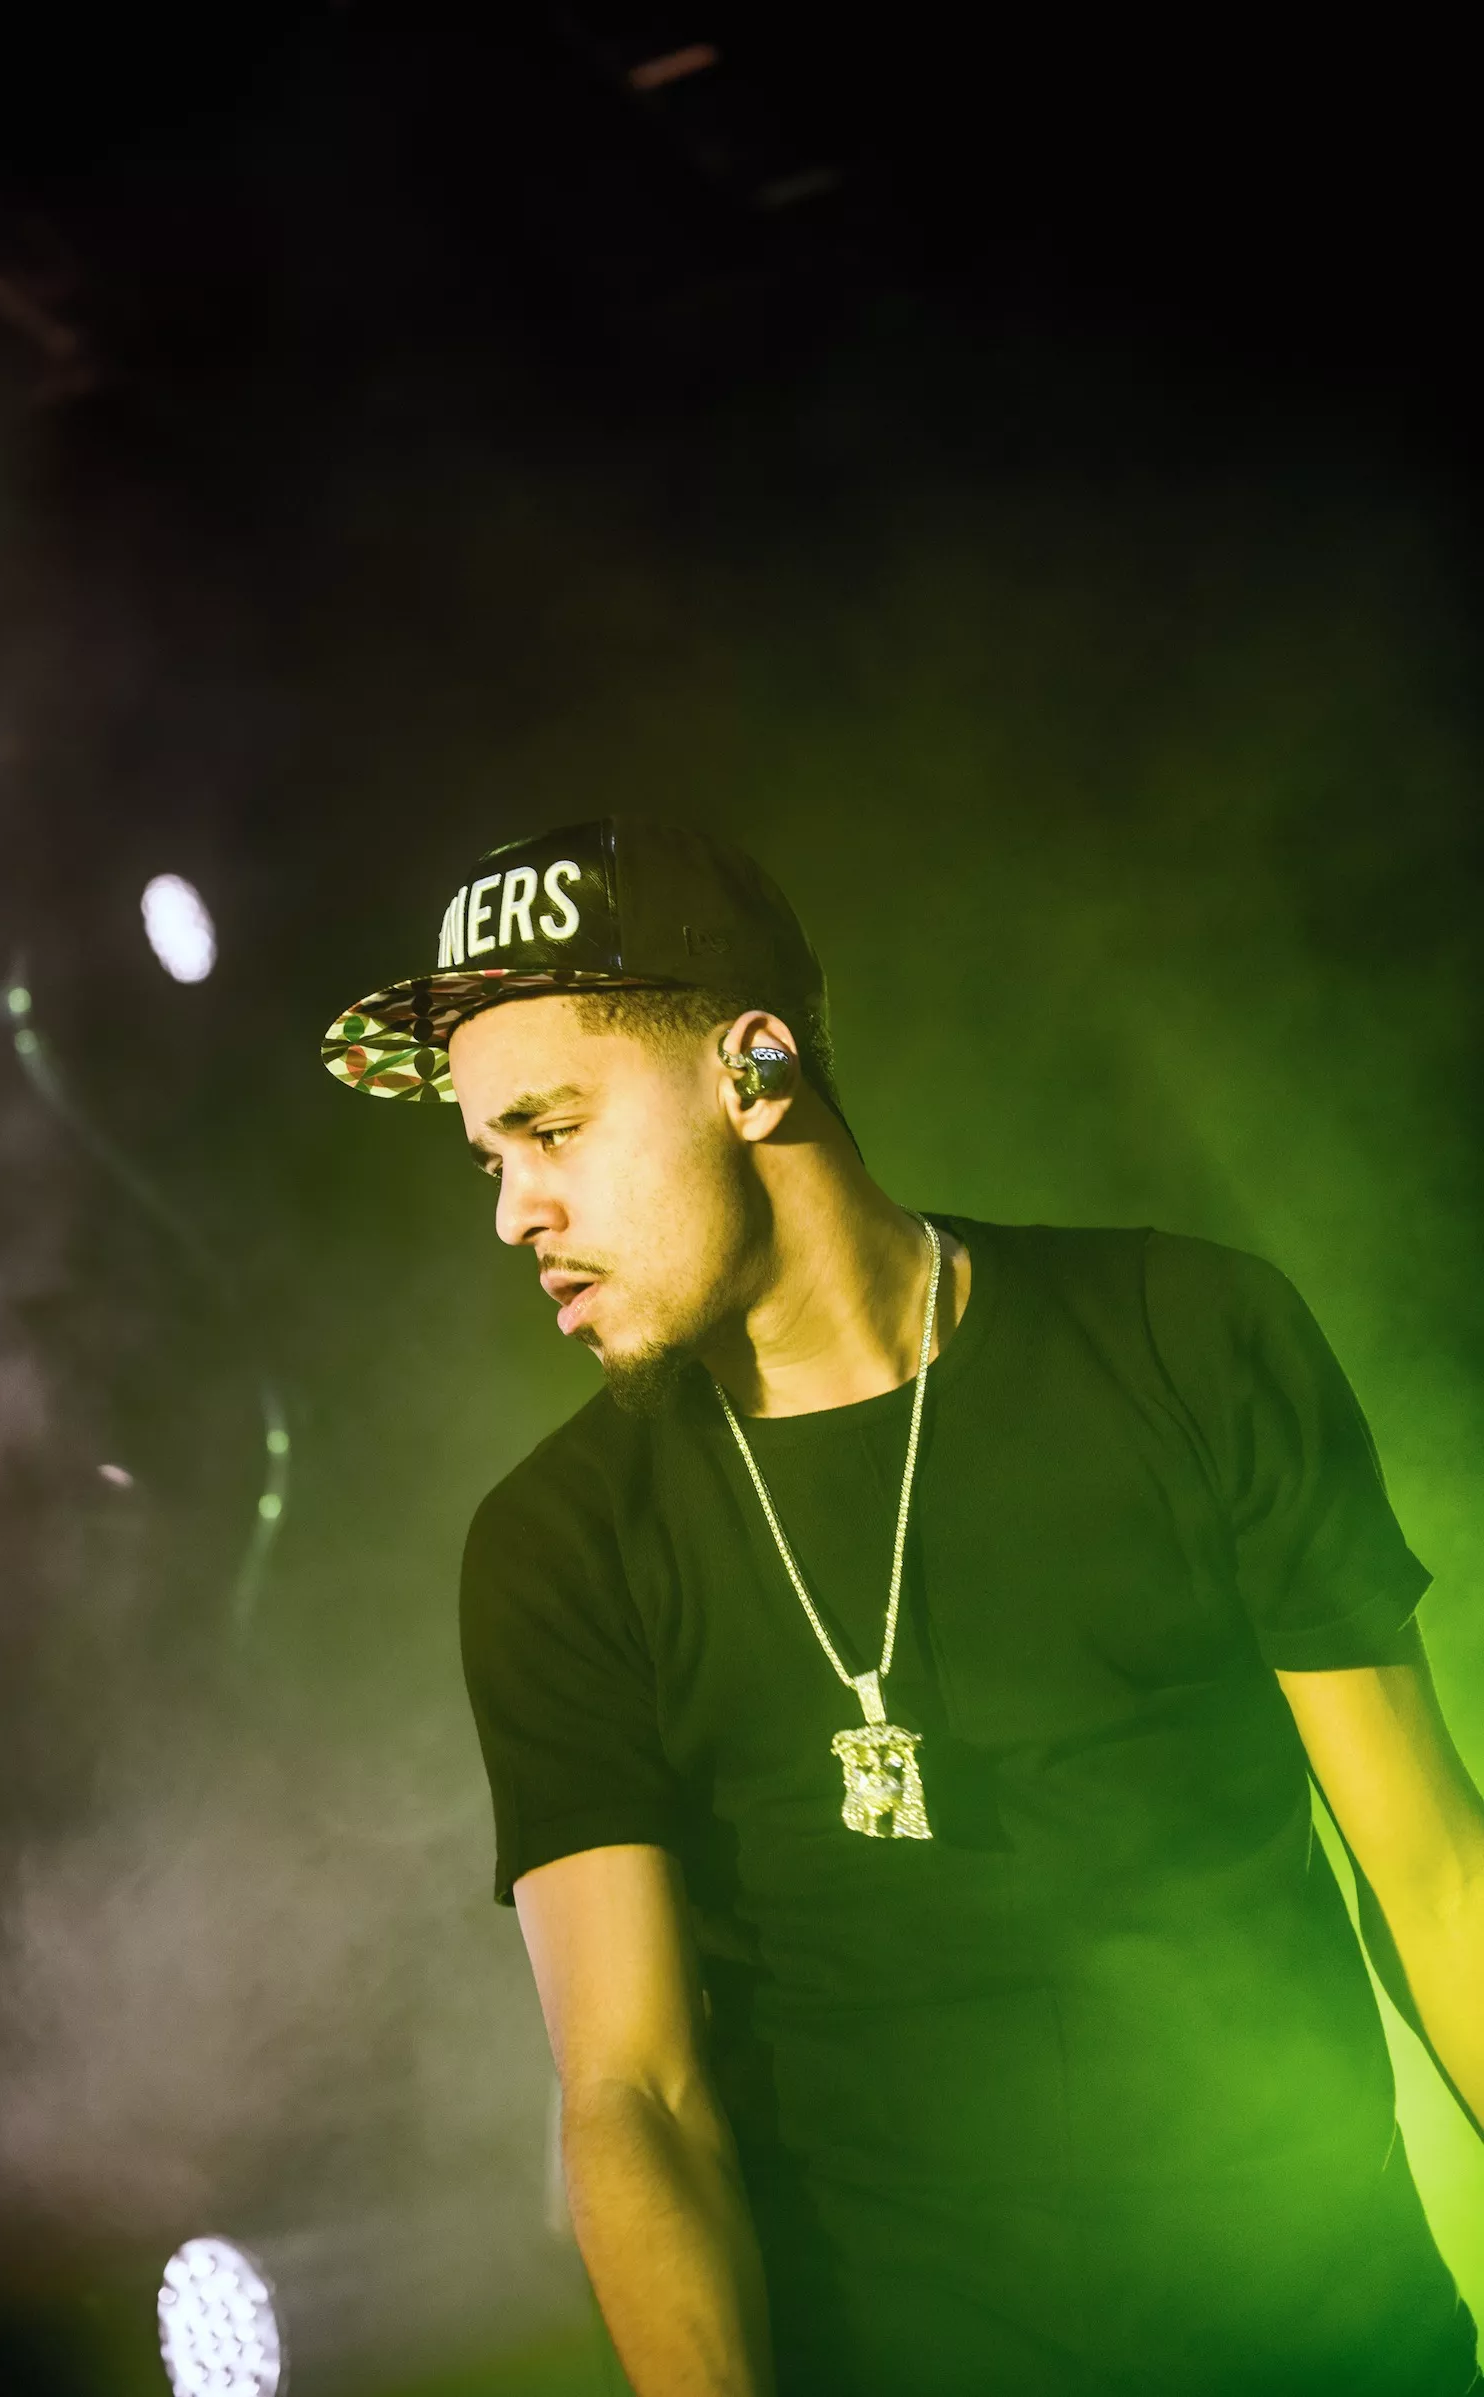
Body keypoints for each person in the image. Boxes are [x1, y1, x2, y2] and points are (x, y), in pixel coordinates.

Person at [323, 817, 1484, 2396]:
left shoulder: (1190, 1339)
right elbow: (634, 2096)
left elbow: (1436, 1879)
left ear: (753, 1070)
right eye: (491, 1156)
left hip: (1340, 2350)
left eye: (553, 1130)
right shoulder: (561, 1543)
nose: (513, 1212)